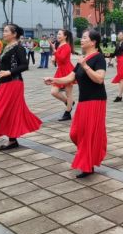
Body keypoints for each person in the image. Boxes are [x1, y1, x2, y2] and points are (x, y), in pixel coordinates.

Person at [44, 29, 107, 178]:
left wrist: (85, 66)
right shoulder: (83, 58)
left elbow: (99, 78)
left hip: (96, 100)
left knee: (88, 134)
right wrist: (54, 80)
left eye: (85, 38)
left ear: (93, 42)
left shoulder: (98, 58)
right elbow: (69, 77)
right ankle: (89, 157)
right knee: (75, 133)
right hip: (84, 101)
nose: (82, 40)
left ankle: (88, 164)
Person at [0, 24, 42, 151]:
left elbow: (24, 65)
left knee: (7, 109)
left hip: (14, 83)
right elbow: (3, 65)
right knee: (5, 110)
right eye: (4, 31)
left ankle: (12, 139)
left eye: (6, 31)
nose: (4, 33)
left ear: (14, 34)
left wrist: (10, 72)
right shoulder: (7, 47)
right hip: (5, 83)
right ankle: (12, 140)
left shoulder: (19, 48)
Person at [51, 29, 76, 121]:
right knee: (54, 91)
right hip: (60, 70)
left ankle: (68, 112)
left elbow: (62, 58)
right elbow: (58, 58)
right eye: (57, 34)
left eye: (60, 34)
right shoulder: (59, 45)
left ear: (65, 36)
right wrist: (54, 58)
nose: (58, 36)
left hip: (67, 70)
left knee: (68, 93)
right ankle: (69, 102)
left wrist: (54, 51)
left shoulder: (67, 46)